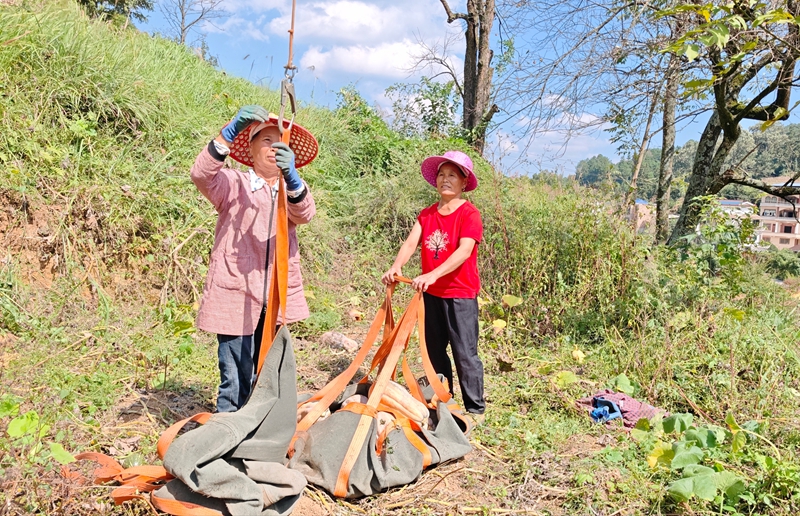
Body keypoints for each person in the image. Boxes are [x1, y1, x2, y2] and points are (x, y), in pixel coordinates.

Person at [191, 105, 318, 412]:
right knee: (235, 373)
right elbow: (201, 174)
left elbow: (305, 214)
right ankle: (229, 433)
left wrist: (293, 177)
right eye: (265, 140)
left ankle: (260, 431)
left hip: (275, 296)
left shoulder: (292, 189)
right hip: (236, 292)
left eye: (280, 142)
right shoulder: (234, 184)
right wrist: (229, 131)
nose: (274, 147)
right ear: (249, 147)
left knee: (269, 371)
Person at [381, 151, 485, 419]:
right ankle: (443, 401)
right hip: (430, 296)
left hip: (460, 295)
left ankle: (475, 409)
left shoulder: (469, 214)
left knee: (465, 353)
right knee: (433, 351)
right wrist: (396, 266)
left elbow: (464, 251)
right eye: (441, 174)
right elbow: (410, 243)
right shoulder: (427, 215)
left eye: (452, 175)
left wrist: (433, 274)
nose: (445, 180)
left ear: (464, 182)